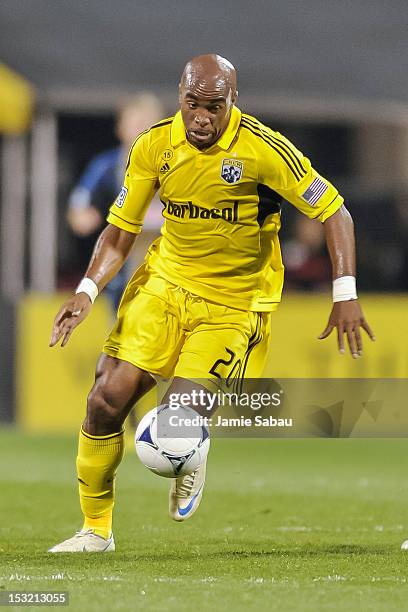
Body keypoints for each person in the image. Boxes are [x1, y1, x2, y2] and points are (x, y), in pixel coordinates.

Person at [48, 54, 375, 553]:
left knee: (175, 424)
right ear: (179, 96)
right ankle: (95, 531)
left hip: (233, 302)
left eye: (213, 106)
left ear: (233, 102)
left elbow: (334, 210)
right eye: (192, 104)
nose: (201, 116)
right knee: (103, 400)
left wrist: (345, 291)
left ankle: (189, 448)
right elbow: (119, 234)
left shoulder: (265, 150)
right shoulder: (155, 143)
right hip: (164, 283)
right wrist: (87, 290)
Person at [67, 93, 164, 309]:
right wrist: (84, 217)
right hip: (125, 267)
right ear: (121, 128)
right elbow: (79, 211)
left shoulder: (180, 163)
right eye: (136, 124)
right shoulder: (107, 166)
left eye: (148, 124)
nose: (142, 130)